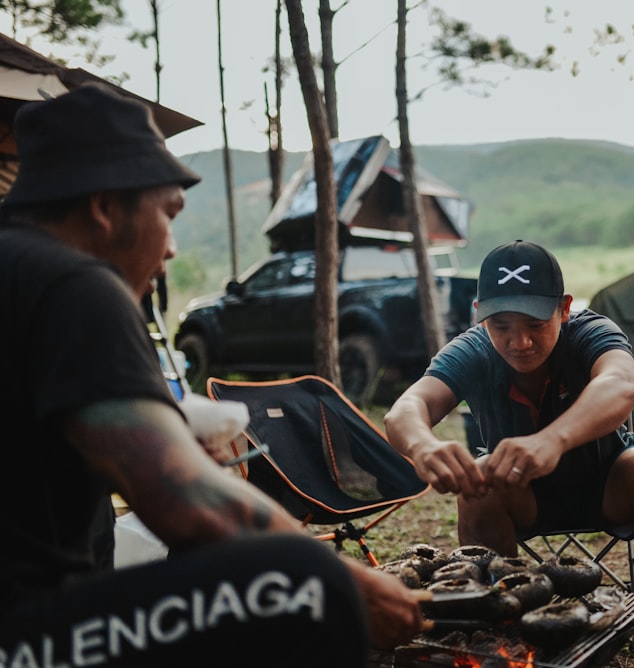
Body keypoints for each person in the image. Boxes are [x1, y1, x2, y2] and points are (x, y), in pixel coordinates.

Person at [0, 83, 426, 666]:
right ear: (102, 206)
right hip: (26, 641)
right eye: (168, 214)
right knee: (304, 579)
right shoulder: (74, 284)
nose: (172, 249)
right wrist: (345, 576)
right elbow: (186, 500)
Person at [384, 240, 634, 668]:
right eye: (501, 325)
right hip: (524, 498)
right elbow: (406, 409)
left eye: (535, 323)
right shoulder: (474, 349)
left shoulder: (592, 332)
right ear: (480, 314)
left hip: (605, 484)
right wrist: (423, 445)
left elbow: (622, 385)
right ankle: (510, 642)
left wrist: (552, 439)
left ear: (564, 308)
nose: (520, 341)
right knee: (480, 484)